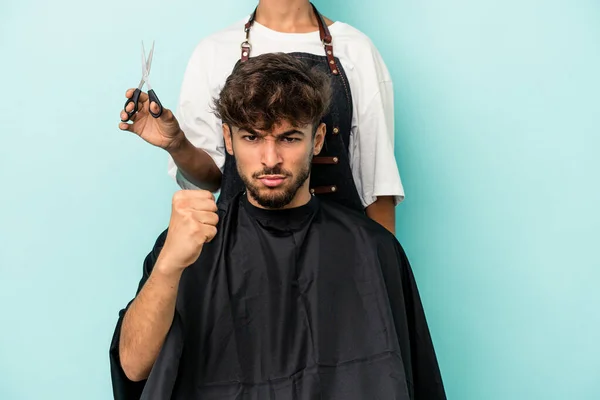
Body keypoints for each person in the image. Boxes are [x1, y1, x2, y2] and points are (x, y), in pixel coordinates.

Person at [112, 53, 445, 399]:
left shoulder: (373, 249)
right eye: (252, 138)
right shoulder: (189, 245)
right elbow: (134, 367)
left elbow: (414, 381)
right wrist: (168, 265)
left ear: (316, 141)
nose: (270, 159)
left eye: (288, 138)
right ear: (228, 140)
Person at [119, 0, 404, 234]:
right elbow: (213, 179)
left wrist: (386, 277)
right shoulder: (213, 51)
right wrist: (176, 143)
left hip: (339, 254)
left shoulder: (357, 49)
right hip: (240, 255)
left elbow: (378, 187)